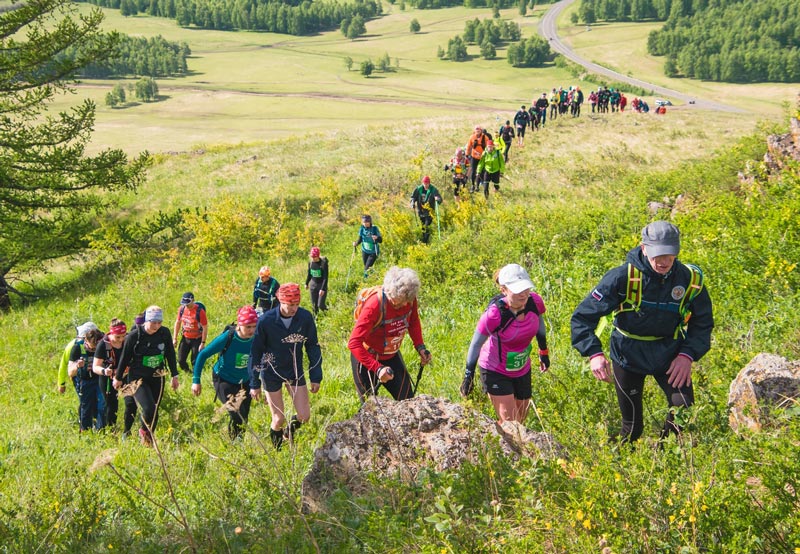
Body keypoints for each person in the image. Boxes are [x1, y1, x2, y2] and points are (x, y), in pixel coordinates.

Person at [570, 221, 714, 443]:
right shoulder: (622, 278)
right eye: (657, 254)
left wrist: (687, 355)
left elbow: (703, 323)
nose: (663, 261)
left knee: (683, 409)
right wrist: (594, 353)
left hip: (669, 353)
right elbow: (582, 317)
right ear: (644, 248)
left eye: (669, 254)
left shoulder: (689, 281)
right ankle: (622, 460)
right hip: (628, 356)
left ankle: (663, 457)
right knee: (633, 428)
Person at [459, 264, 549, 423]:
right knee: (511, 423)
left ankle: (499, 441)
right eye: (518, 290)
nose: (523, 294)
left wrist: (543, 352)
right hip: (495, 369)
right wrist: (469, 375)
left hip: (521, 368)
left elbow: (540, 327)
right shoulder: (494, 314)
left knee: (520, 421)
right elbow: (475, 344)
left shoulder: (535, 301)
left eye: (526, 289)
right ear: (504, 290)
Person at [249, 284, 322, 449]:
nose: (294, 308)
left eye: (297, 304)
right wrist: (254, 383)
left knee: (304, 416)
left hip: (294, 370)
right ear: (280, 301)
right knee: (278, 418)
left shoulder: (305, 318)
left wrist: (315, 376)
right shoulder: (265, 321)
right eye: (290, 305)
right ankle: (278, 451)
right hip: (270, 372)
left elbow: (312, 346)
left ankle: (289, 431)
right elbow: (255, 352)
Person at [348, 266, 432, 402]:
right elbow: (353, 343)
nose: (403, 305)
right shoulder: (375, 305)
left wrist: (420, 347)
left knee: (407, 401)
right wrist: (377, 368)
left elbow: (414, 322)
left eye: (406, 302)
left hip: (391, 355)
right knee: (370, 407)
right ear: (389, 293)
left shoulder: (409, 299)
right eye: (397, 303)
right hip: (366, 358)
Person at [113, 305, 179, 446]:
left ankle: (148, 440)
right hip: (138, 378)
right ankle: (139, 431)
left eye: (159, 322)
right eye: (153, 322)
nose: (156, 326)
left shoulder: (164, 333)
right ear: (146, 320)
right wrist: (118, 378)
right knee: (148, 408)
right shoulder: (134, 336)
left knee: (154, 412)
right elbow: (124, 358)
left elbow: (170, 355)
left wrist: (175, 375)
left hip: (157, 376)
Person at [192, 306, 258, 440]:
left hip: (245, 380)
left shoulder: (257, 338)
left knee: (243, 417)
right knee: (236, 413)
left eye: (254, 326)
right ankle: (236, 444)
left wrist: (258, 383)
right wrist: (196, 380)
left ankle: (238, 446)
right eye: (248, 326)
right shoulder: (228, 338)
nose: (252, 330)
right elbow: (203, 354)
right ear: (239, 325)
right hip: (224, 379)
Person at [68, 328, 105, 432]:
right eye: (92, 348)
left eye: (95, 349)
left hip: (99, 379)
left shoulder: (103, 345)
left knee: (103, 404)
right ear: (86, 341)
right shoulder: (78, 347)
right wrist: (77, 366)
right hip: (84, 380)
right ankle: (85, 431)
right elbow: (70, 372)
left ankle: (101, 430)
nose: (93, 351)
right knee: (86, 406)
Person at [93, 318, 127, 430]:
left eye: (123, 336)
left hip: (125, 375)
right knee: (112, 406)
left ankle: (128, 429)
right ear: (111, 333)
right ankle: (111, 430)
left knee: (131, 402)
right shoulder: (103, 345)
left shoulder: (127, 341)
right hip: (108, 378)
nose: (120, 340)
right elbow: (95, 367)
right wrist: (104, 371)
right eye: (118, 337)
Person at [172, 292, 208, 374]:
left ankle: (196, 376)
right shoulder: (182, 309)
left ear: (193, 300)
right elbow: (178, 323)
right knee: (181, 360)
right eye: (185, 304)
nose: (186, 305)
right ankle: (188, 372)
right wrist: (175, 338)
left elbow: (205, 327)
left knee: (195, 361)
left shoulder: (200, 311)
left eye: (188, 303)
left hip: (196, 339)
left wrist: (203, 343)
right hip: (185, 338)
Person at [410, 175, 443, 244]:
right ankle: (425, 242)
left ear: (429, 183)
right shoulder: (418, 189)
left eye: (427, 183)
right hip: (421, 211)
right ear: (422, 183)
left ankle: (425, 242)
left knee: (427, 226)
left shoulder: (433, 189)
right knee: (423, 227)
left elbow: (439, 198)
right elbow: (413, 197)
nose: (426, 185)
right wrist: (412, 203)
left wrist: (437, 199)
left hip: (430, 212)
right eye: (424, 183)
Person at [353, 214, 382, 278]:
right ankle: (374, 277)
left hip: (373, 252)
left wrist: (376, 237)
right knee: (367, 267)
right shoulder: (362, 228)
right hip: (365, 250)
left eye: (366, 222)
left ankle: (365, 280)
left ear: (370, 222)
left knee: (367, 268)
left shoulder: (374, 228)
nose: (365, 224)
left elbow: (380, 240)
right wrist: (356, 243)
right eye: (364, 222)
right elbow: (360, 239)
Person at [305, 246, 329, 315]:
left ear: (318, 256)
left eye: (314, 257)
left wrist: (323, 289)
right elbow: (309, 274)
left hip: (321, 285)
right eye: (312, 257)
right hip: (313, 285)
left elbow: (325, 277)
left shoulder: (323, 263)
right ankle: (316, 319)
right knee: (314, 305)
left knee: (320, 305)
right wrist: (306, 283)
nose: (313, 259)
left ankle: (327, 312)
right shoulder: (310, 263)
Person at [465, 125, 487, 192]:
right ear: (474, 131)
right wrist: (467, 154)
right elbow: (469, 146)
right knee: (473, 171)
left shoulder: (485, 138)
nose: (477, 131)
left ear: (481, 131)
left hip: (482, 158)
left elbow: (488, 146)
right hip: (474, 157)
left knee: (480, 171)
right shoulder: (472, 137)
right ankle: (473, 185)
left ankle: (478, 185)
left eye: (479, 130)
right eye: (476, 130)